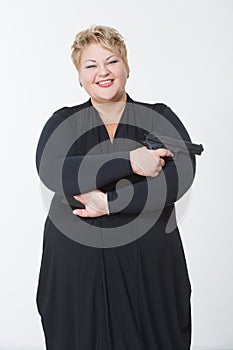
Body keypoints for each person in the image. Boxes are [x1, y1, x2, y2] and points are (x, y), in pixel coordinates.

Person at [35, 25, 197, 350]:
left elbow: (179, 178)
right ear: (79, 76)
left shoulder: (158, 117)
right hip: (76, 275)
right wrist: (131, 162)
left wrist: (110, 203)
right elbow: (54, 172)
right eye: (90, 65)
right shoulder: (63, 122)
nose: (103, 73)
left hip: (149, 273)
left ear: (127, 67)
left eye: (111, 61)